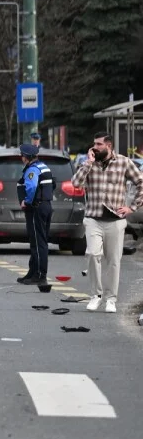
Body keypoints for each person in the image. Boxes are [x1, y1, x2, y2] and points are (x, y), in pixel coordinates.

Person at [71, 133, 143, 313]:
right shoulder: (89, 163)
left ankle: (111, 299)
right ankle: (96, 295)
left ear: (108, 146)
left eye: (98, 144)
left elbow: (141, 182)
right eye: (93, 143)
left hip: (115, 221)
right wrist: (88, 163)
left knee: (113, 261)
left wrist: (132, 207)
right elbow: (76, 183)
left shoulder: (124, 162)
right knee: (93, 254)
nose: (94, 147)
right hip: (93, 219)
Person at [14, 143, 54, 287]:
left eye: (22, 155)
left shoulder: (33, 169)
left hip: (36, 207)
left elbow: (31, 187)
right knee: (38, 241)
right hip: (46, 206)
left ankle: (39, 275)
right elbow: (52, 185)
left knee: (38, 243)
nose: (21, 158)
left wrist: (26, 201)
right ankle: (32, 272)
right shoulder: (44, 166)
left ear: (28, 157)